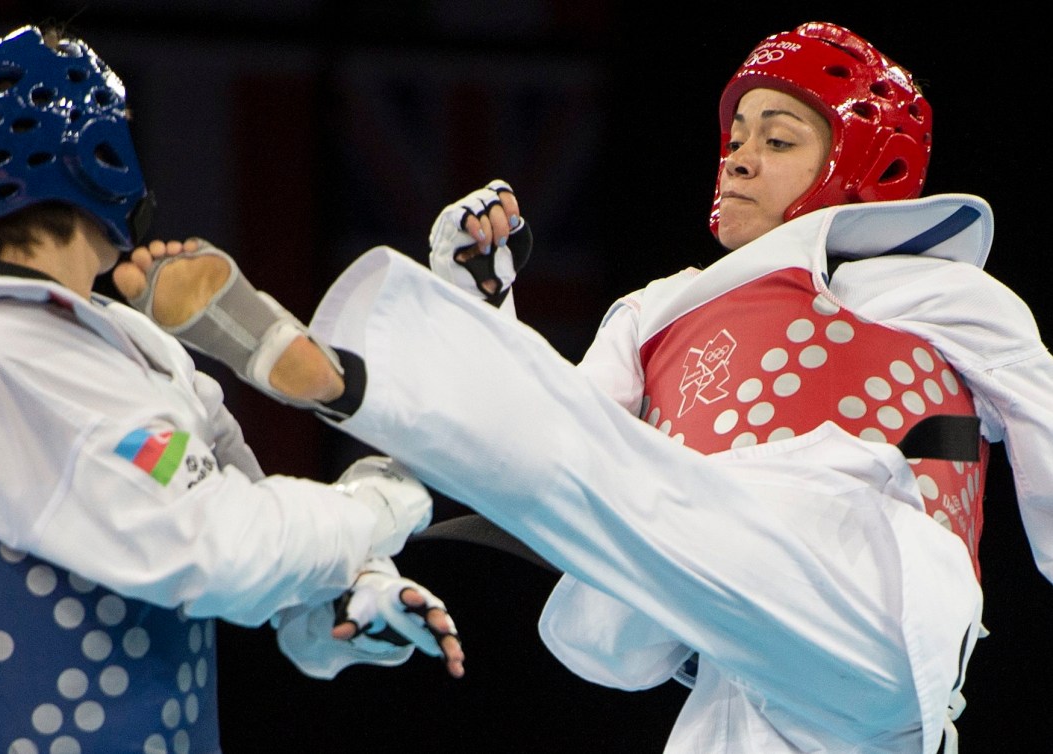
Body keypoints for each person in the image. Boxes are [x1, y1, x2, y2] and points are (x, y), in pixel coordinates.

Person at [118, 21, 1053, 754]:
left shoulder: (936, 288)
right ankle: (407, 367)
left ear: (854, 171)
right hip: (725, 651)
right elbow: (560, 446)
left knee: (657, 491)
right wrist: (483, 306)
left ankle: (351, 378)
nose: (735, 156)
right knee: (607, 478)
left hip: (868, 593)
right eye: (734, 135)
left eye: (777, 139)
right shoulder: (653, 313)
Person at [0, 25, 464, 754]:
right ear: (93, 153)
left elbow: (254, 533)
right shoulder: (3, 351)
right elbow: (218, 552)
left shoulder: (127, 348)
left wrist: (350, 596)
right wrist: (380, 505)